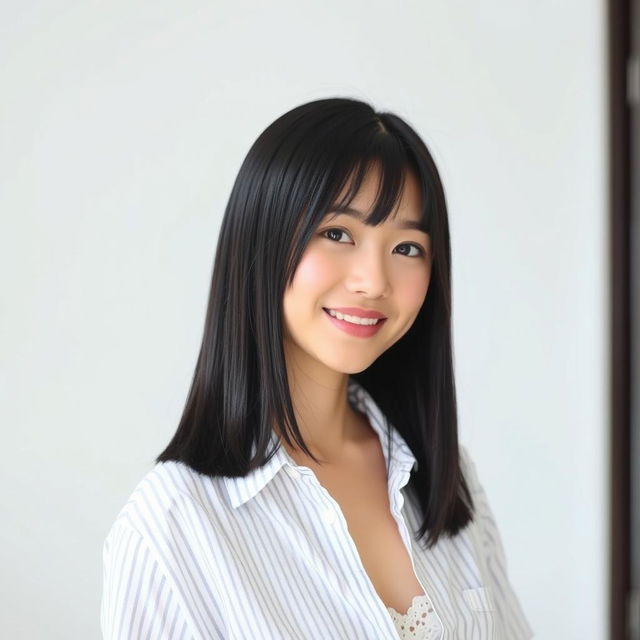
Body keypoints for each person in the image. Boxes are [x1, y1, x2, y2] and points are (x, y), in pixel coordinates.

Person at [100, 97, 533, 639]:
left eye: (406, 246)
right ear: (262, 237)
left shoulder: (446, 478)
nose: (373, 280)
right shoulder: (170, 526)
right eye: (337, 234)